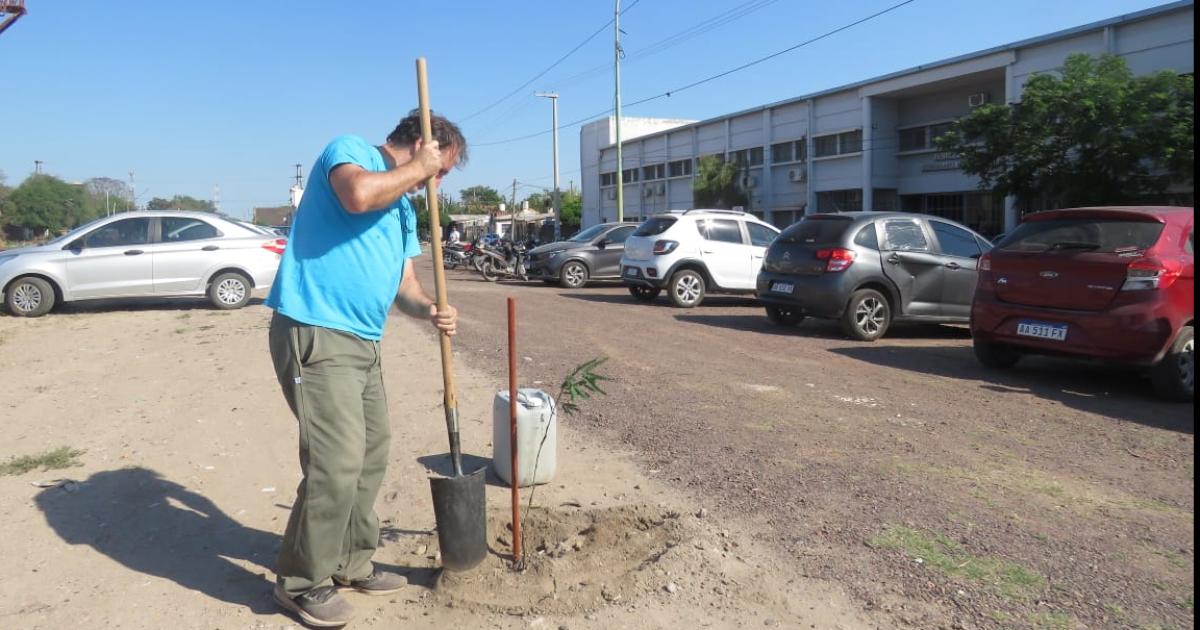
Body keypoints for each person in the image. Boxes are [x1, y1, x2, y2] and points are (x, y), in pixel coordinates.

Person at [264, 109, 466, 627]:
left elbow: (406, 288)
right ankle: (302, 581)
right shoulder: (349, 151)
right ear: (424, 146)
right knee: (337, 459)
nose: (437, 182)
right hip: (316, 329)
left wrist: (431, 309)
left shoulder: (401, 209)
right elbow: (356, 196)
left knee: (372, 452)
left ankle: (351, 561)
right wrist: (419, 168)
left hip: (365, 343)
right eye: (442, 168)